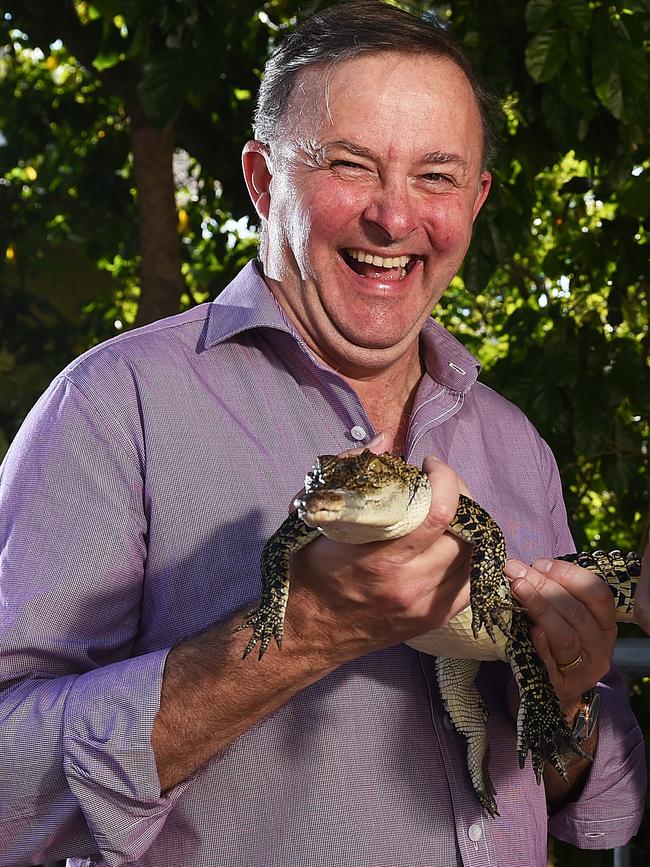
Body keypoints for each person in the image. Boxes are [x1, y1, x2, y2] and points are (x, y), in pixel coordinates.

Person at [0, 2, 645, 865]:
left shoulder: (515, 443)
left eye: (437, 176)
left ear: (478, 197)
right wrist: (306, 629)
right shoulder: (116, 404)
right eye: (350, 164)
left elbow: (597, 807)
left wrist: (564, 700)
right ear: (264, 181)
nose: (394, 217)